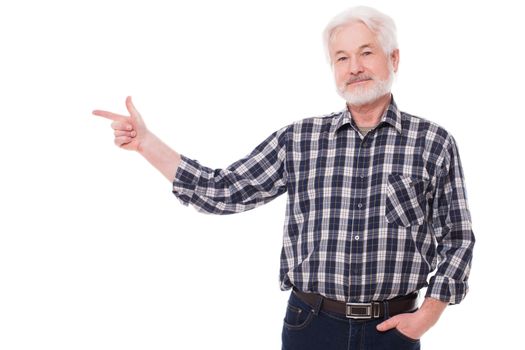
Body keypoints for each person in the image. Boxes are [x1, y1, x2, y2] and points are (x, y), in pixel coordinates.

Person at [93, 6, 474, 350]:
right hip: (311, 326)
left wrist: (429, 314)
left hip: (393, 330)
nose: (354, 66)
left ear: (394, 58)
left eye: (366, 52)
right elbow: (223, 190)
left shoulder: (433, 142)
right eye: (341, 57)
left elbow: (458, 238)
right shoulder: (299, 140)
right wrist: (146, 144)